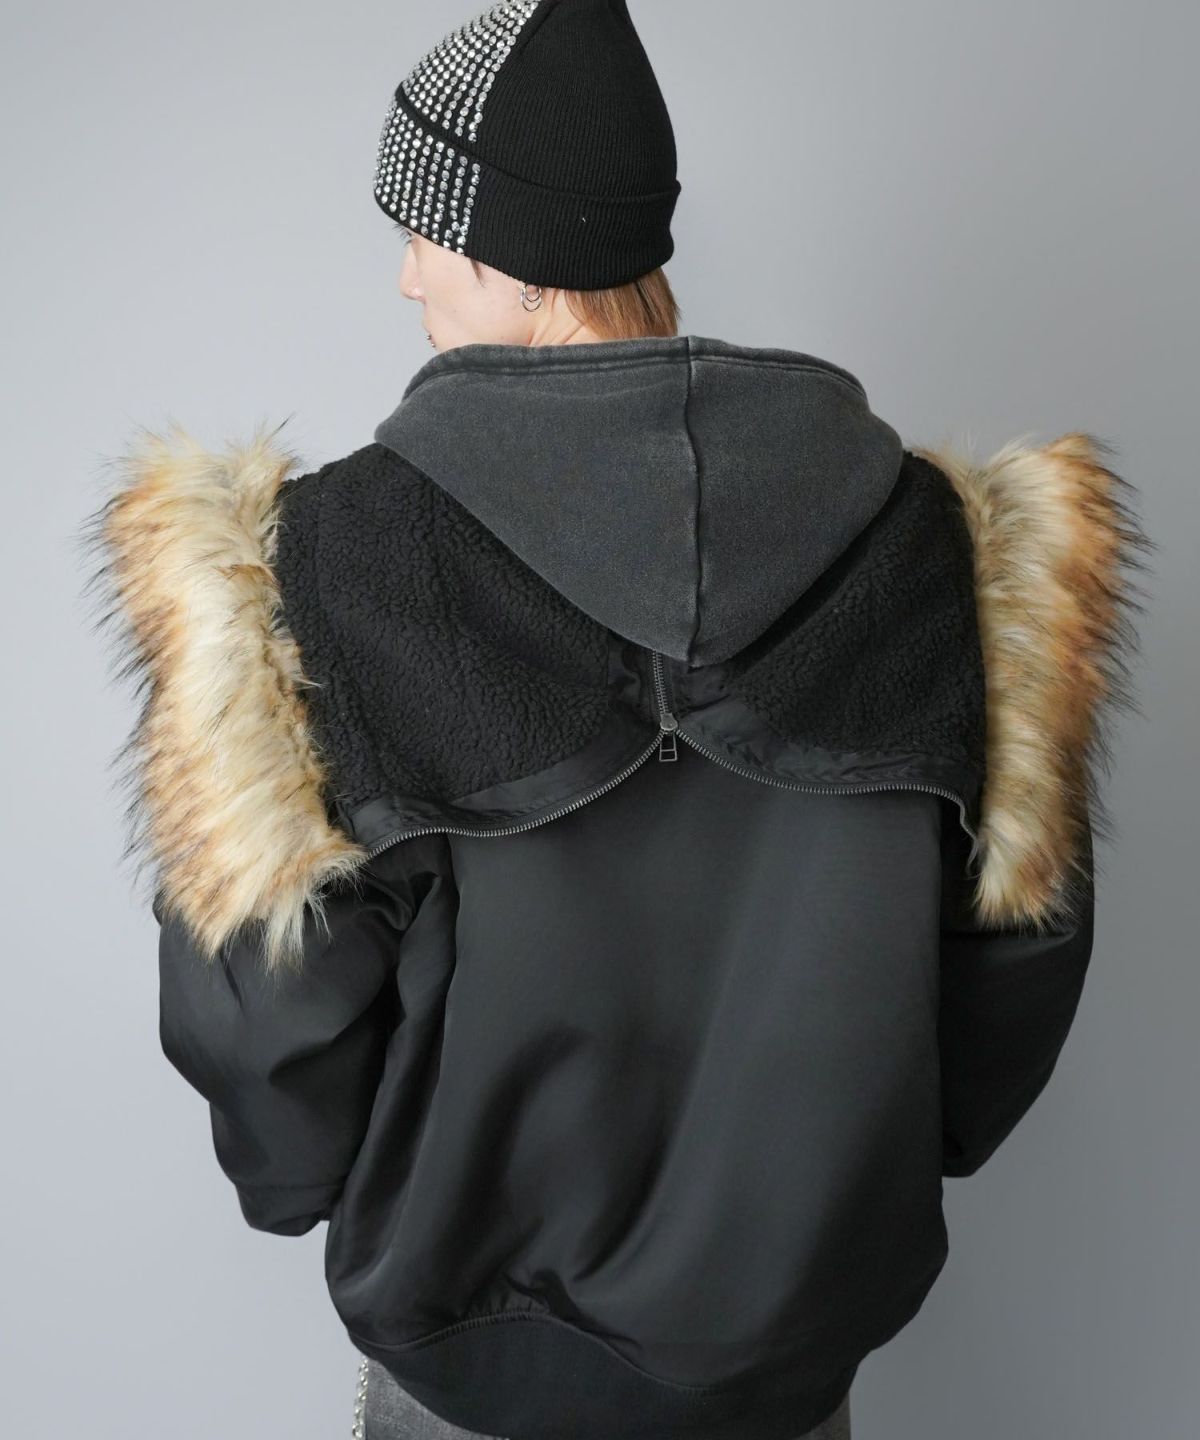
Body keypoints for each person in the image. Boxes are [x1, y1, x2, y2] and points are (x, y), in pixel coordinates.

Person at [80, 3, 1153, 1438]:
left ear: (519, 262)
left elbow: (266, 995)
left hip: (469, 1367)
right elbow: (1016, 942)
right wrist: (869, 1173)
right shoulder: (934, 550)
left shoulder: (333, 558)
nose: (406, 276)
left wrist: (308, 1181)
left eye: (427, 232)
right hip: (783, 1373)